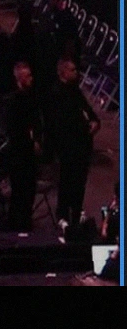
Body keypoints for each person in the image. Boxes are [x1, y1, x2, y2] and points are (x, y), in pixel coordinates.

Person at [46, 58, 100, 227]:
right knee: (67, 180)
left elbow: (88, 111)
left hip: (82, 145)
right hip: (67, 146)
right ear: (63, 72)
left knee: (80, 182)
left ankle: (77, 211)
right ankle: (62, 214)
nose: (76, 73)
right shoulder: (56, 94)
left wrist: (94, 122)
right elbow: (58, 124)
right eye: (72, 70)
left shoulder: (75, 91)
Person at [0, 62, 42, 232]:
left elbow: (36, 123)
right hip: (18, 153)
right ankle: (15, 227)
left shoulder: (32, 98)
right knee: (19, 192)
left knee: (29, 191)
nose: (32, 79)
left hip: (29, 154)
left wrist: (36, 138)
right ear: (20, 78)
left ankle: (26, 224)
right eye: (28, 76)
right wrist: (29, 138)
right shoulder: (12, 102)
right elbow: (13, 130)